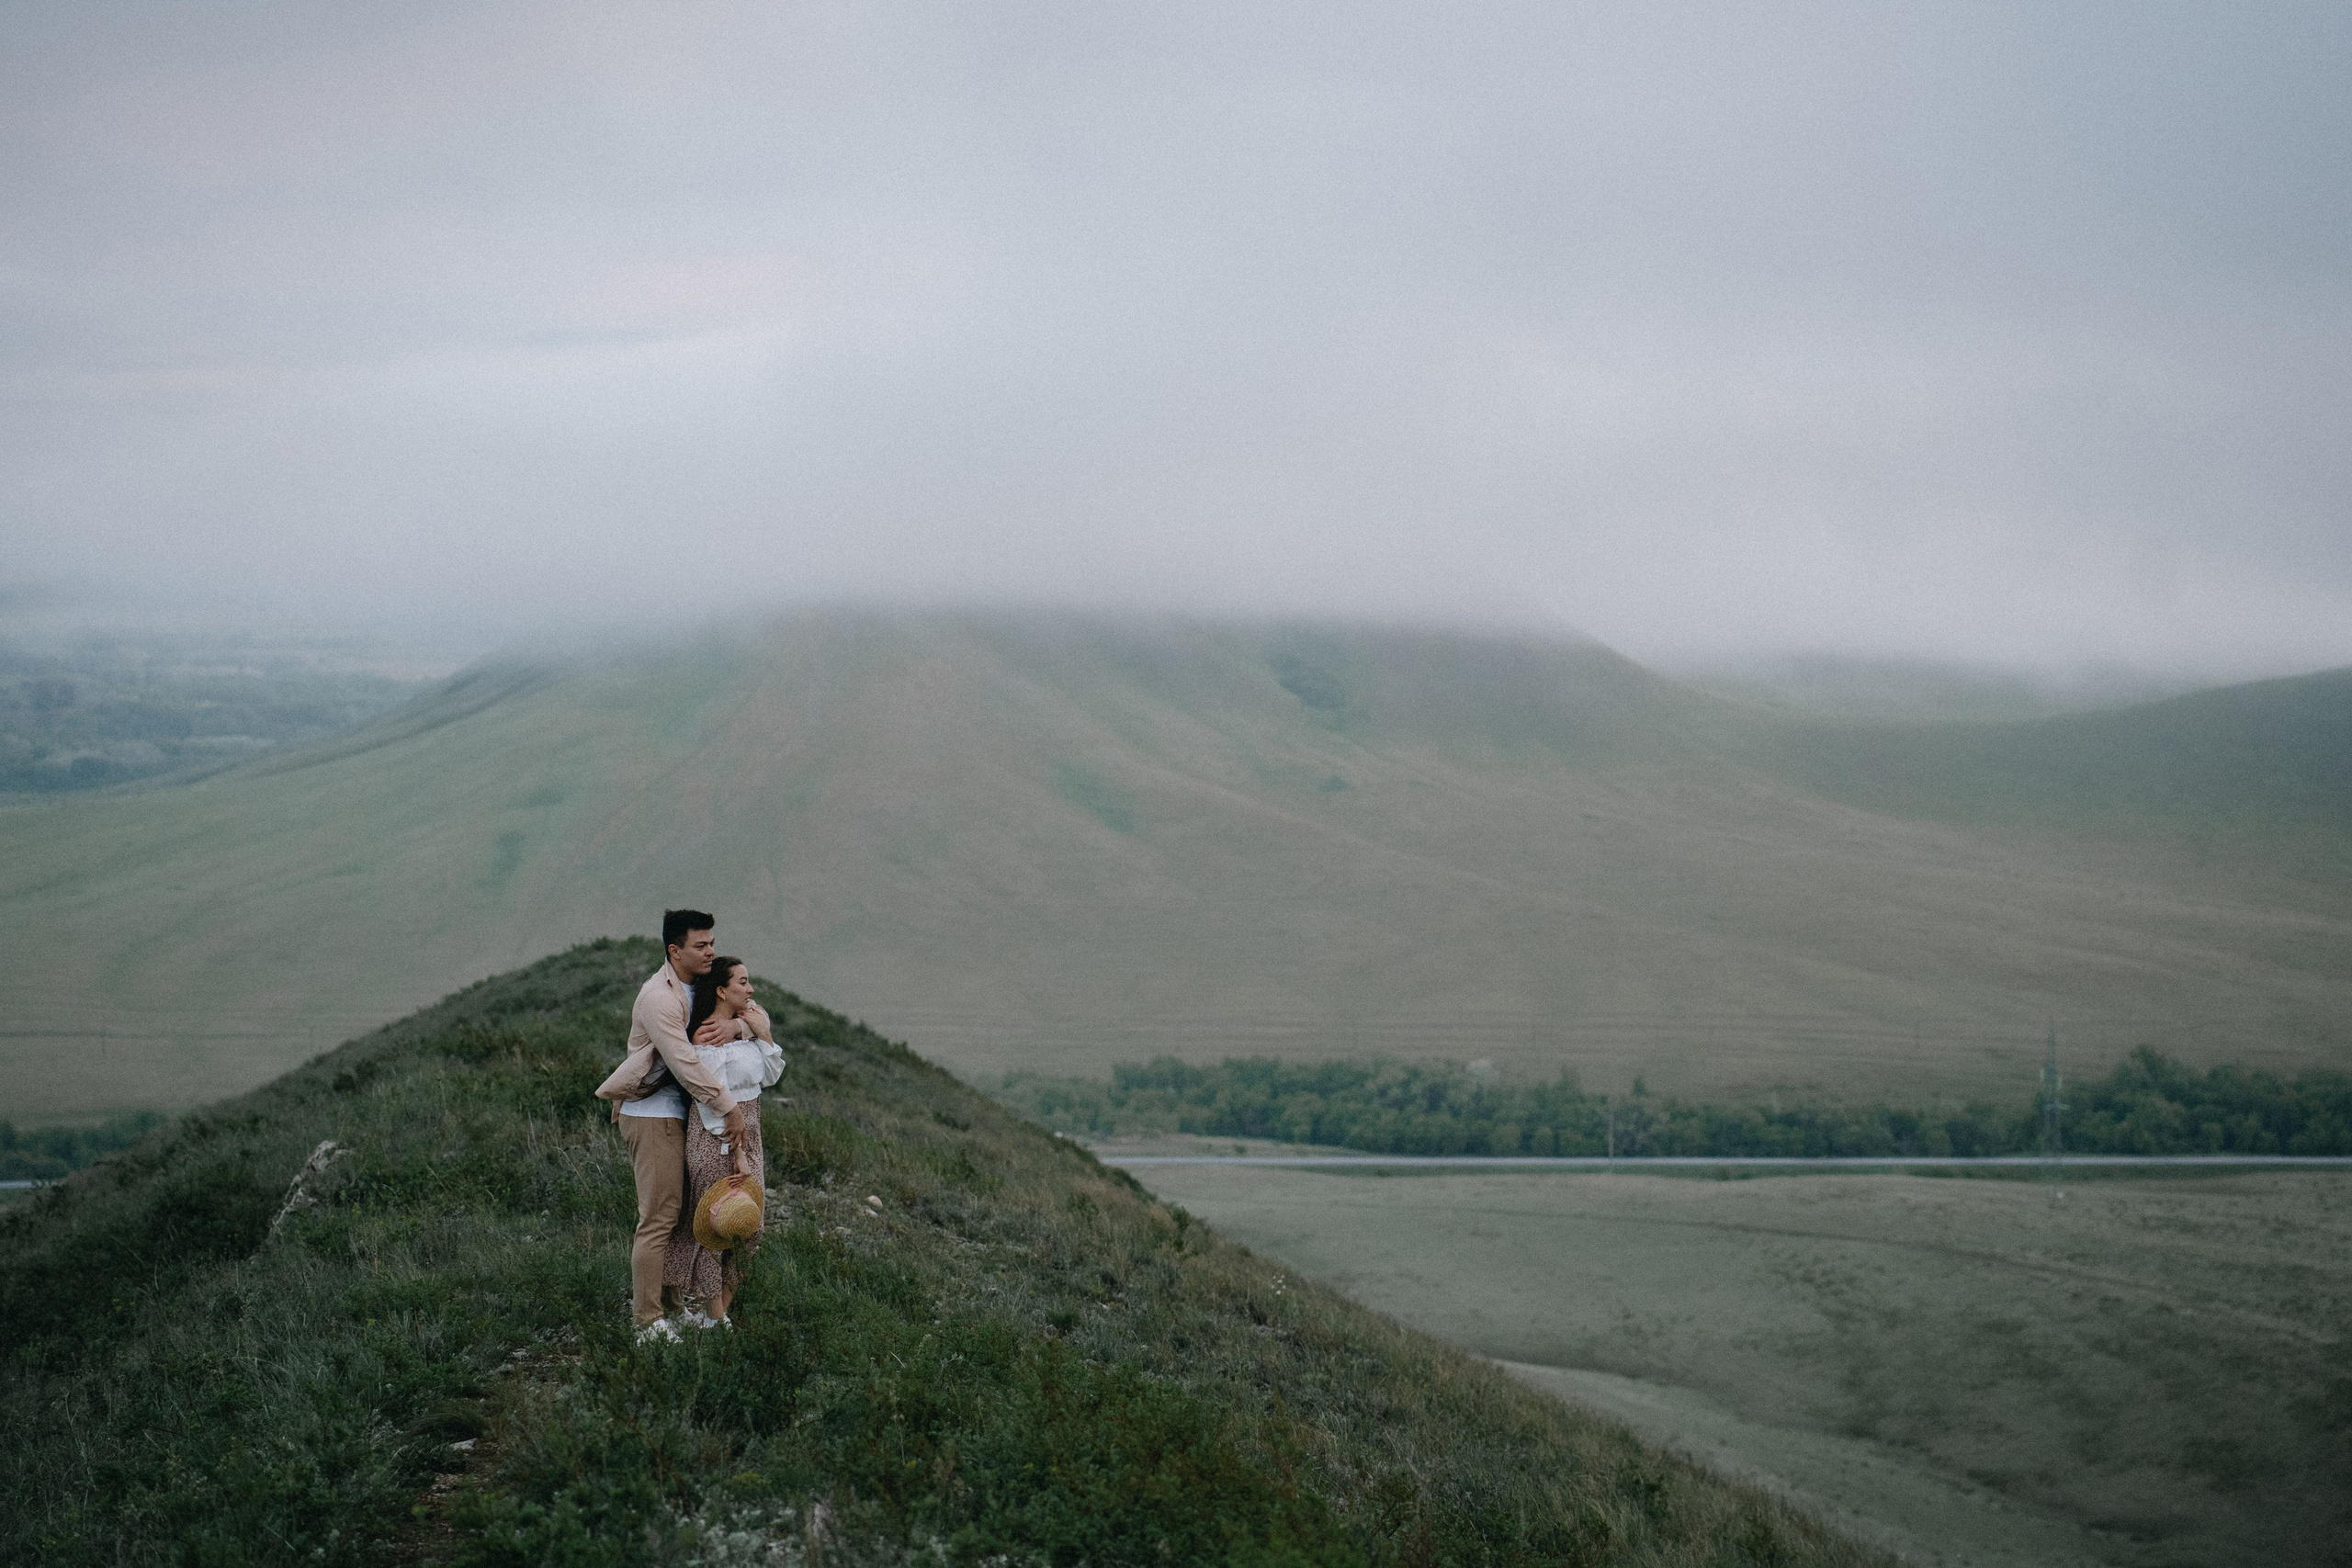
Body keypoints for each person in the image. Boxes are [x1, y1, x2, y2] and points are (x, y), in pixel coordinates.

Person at [594, 909, 763, 1343]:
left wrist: (737, 1025)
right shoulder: (659, 997)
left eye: (711, 943)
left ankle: (670, 1307)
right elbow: (683, 1062)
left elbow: (754, 1013)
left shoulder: (704, 986)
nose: (710, 951)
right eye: (700, 946)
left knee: (687, 1215)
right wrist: (729, 1108)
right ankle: (646, 1322)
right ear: (675, 950)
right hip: (654, 1115)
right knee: (659, 1218)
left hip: (687, 1117)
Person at [664, 956, 784, 1325]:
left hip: (750, 1138)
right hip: (720, 1138)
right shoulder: (706, 1037)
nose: (751, 990)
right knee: (714, 1229)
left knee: (751, 1228)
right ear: (721, 990)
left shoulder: (747, 1021)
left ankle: (716, 1313)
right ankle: (715, 1319)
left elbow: (773, 1073)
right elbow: (711, 1099)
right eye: (743, 983)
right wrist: (736, 1152)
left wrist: (753, 1031)